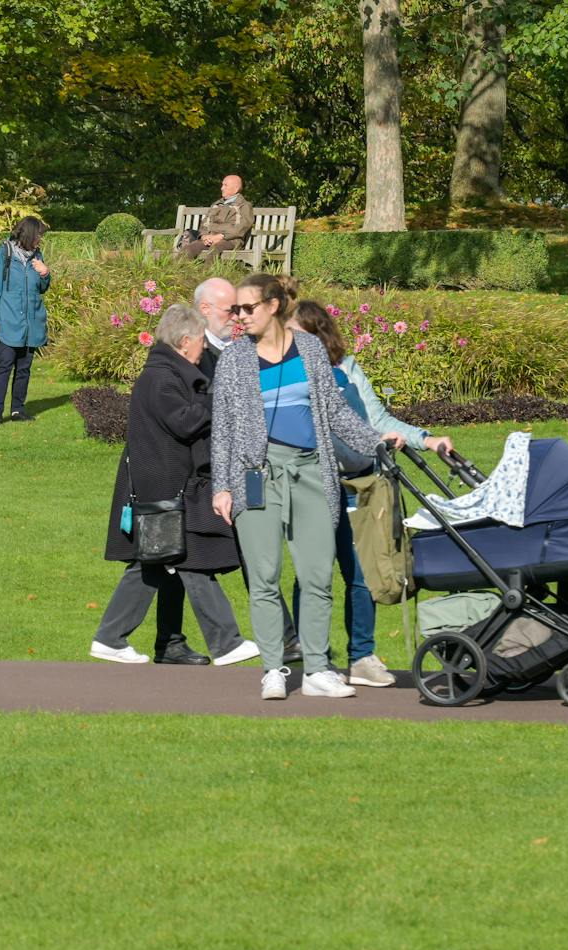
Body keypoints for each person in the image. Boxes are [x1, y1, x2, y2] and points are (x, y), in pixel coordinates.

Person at [209, 273, 401, 700]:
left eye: (247, 308)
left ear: (273, 306)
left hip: (313, 472)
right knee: (264, 576)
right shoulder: (234, 359)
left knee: (316, 575)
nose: (239, 317)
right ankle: (273, 668)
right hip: (255, 475)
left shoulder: (311, 350)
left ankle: (316, 670)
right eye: (235, 310)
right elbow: (221, 428)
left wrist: (375, 440)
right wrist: (221, 486)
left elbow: (334, 409)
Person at [286, 301, 454, 688]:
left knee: (361, 574)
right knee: (313, 575)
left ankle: (361, 656)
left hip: (359, 485)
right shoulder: (286, 374)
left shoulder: (346, 370)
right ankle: (314, 657)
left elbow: (376, 421)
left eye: (297, 334)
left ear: (317, 335)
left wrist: (426, 440)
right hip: (311, 485)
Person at [94, 304, 262, 666]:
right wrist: (219, 399)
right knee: (185, 559)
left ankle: (140, 641)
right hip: (166, 487)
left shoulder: (168, 372)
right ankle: (226, 642)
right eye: (201, 341)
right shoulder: (161, 377)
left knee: (158, 562)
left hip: (171, 485)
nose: (204, 347)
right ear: (185, 342)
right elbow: (184, 422)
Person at [0, 216, 52, 425]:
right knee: (3, 367)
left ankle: (17, 411)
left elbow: (41, 288)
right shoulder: (4, 254)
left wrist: (45, 274)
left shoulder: (37, 256)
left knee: (24, 369)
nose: (40, 239)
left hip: (30, 324)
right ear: (29, 234)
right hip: (7, 322)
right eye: (38, 235)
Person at [175, 175, 255, 262]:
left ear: (235, 189)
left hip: (231, 240)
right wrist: (204, 236)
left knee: (214, 249)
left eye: (225, 185)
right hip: (209, 239)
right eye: (222, 185)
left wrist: (221, 236)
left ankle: (209, 274)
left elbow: (241, 227)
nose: (221, 188)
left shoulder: (244, 206)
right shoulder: (216, 204)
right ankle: (176, 272)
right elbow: (205, 223)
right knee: (189, 248)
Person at [192, 277, 238, 380]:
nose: (236, 317)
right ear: (205, 309)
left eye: (237, 310)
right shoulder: (189, 351)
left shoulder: (244, 346)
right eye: (230, 311)